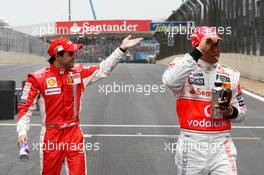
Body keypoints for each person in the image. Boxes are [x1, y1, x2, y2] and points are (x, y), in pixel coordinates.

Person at [16, 35, 143, 175]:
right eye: (70, 53)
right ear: (57, 56)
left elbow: (103, 69)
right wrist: (22, 132)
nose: (74, 56)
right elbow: (25, 108)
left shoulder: (79, 72)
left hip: (73, 133)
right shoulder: (37, 78)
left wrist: (121, 49)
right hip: (51, 135)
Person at [162, 26, 246, 175]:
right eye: (210, 44)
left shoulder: (230, 74)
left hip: (222, 144)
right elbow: (169, 81)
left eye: (217, 44)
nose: (215, 49)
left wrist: (229, 111)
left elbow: (241, 114)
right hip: (192, 144)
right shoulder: (181, 66)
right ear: (198, 45)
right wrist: (198, 50)